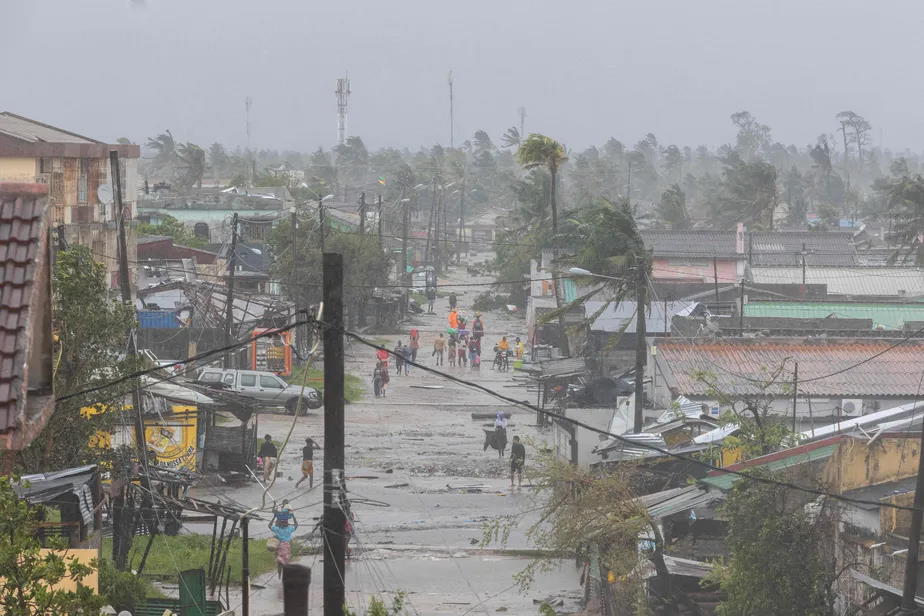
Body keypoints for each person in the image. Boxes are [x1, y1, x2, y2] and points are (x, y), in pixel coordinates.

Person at [269, 509, 298, 575]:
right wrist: (294, 517)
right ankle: (284, 573)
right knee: (285, 561)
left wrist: (274, 517)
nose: (286, 523)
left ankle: (280, 573)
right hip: (286, 546)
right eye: (285, 522)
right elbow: (296, 525)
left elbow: (269, 526)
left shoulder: (278, 529)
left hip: (279, 546)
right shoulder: (289, 528)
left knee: (280, 560)